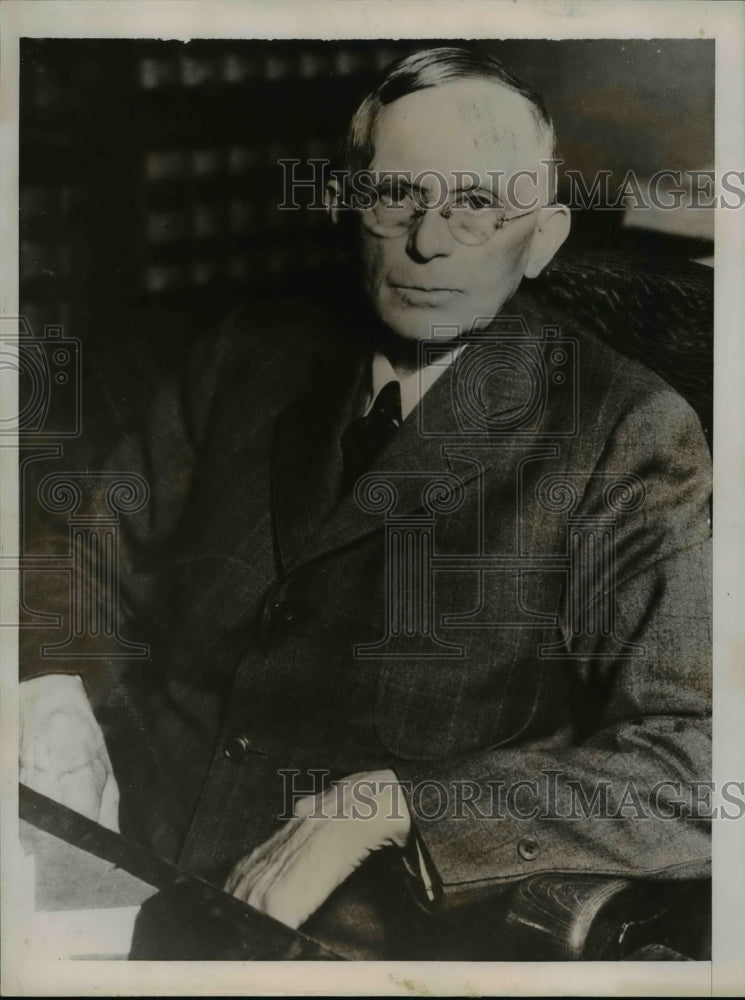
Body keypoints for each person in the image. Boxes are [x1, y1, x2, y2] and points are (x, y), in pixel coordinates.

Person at [19, 47, 711, 959]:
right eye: (397, 197)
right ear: (350, 204)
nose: (427, 243)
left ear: (543, 237)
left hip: (348, 943)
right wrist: (48, 689)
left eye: (474, 205)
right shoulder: (252, 355)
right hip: (110, 874)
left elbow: (700, 762)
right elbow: (77, 545)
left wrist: (393, 807)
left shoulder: (625, 433)